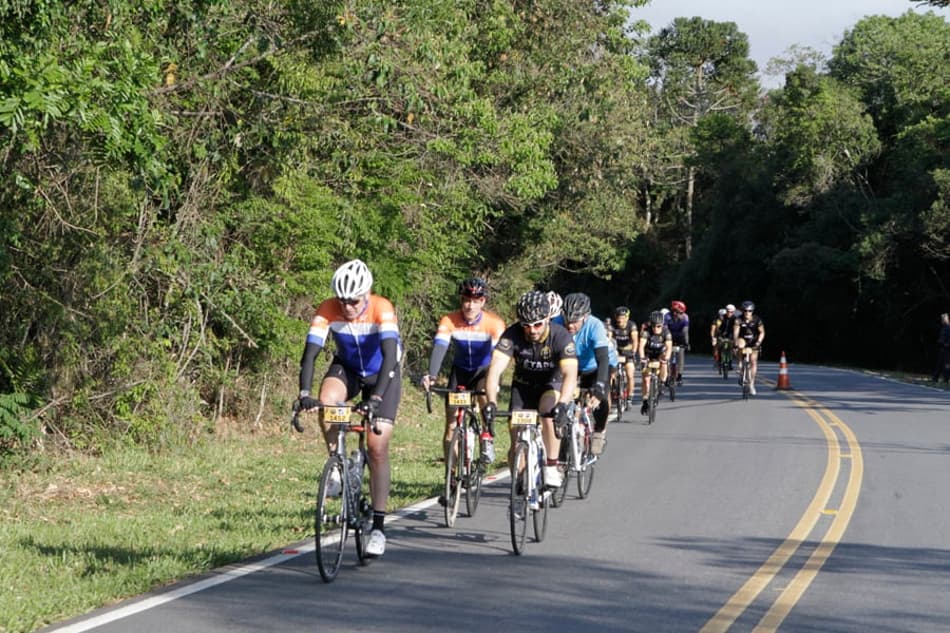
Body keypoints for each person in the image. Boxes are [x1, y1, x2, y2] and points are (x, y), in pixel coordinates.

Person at [297, 259, 401, 557]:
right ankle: (338, 468)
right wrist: (304, 392)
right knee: (327, 401)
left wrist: (376, 398)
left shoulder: (383, 308)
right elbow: (310, 355)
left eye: (353, 301)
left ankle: (379, 528)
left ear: (366, 294)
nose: (347, 307)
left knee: (376, 447)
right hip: (349, 368)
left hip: (383, 373)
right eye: (342, 301)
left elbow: (390, 355)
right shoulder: (327, 308)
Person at [484, 290, 578, 490]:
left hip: (551, 384)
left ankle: (551, 465)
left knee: (547, 414)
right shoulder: (512, 335)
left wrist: (563, 404)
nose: (532, 330)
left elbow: (570, 372)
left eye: (537, 324)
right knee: (516, 440)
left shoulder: (560, 336)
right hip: (523, 387)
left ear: (547, 319)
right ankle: (520, 479)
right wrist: (491, 402)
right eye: (526, 325)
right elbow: (495, 370)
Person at [421, 278, 506, 475]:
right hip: (460, 371)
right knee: (451, 423)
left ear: (483, 302)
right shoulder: (449, 320)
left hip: (485, 370)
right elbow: (440, 347)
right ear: (461, 300)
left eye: (476, 301)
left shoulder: (494, 323)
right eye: (467, 300)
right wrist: (431, 375)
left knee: (485, 392)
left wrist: (495, 382)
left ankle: (487, 434)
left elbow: (499, 357)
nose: (470, 305)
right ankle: (451, 476)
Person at [562, 293, 614, 455]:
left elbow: (603, 360)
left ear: (585, 317)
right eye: (567, 320)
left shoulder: (595, 326)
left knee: (602, 397)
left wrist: (599, 388)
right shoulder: (557, 323)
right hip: (570, 365)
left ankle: (599, 431)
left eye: (574, 321)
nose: (570, 325)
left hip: (594, 366)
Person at [638, 311, 673, 415]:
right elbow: (641, 347)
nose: (655, 328)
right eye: (653, 326)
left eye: (658, 326)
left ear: (662, 325)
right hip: (648, 354)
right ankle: (645, 401)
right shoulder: (646, 332)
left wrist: (666, 358)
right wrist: (642, 358)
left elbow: (669, 348)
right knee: (645, 379)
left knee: (664, 362)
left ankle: (662, 382)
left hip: (660, 354)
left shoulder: (666, 332)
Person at [733, 300, 765, 395]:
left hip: (753, 341)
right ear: (743, 311)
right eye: (745, 310)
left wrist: (759, 342)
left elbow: (762, 332)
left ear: (752, 311)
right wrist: (735, 343)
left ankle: (752, 384)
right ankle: (739, 363)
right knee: (740, 345)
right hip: (742, 340)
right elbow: (735, 333)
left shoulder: (757, 320)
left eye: (750, 311)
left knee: (753, 361)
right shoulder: (738, 320)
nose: (747, 313)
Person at [609, 306, 639, 405]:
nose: (620, 319)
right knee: (611, 373)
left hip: (628, 351)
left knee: (630, 374)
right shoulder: (612, 325)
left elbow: (635, 340)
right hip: (616, 350)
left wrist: (634, 353)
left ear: (627, 317)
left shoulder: (632, 325)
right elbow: (608, 339)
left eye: (623, 317)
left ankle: (630, 397)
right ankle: (610, 392)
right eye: (618, 317)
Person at [668, 300, 690, 384]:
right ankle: (667, 375)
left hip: (680, 337)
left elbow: (685, 331)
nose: (675, 314)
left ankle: (680, 375)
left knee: (681, 356)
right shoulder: (667, 316)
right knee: (667, 356)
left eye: (678, 312)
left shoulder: (685, 317)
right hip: (669, 336)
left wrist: (686, 343)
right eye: (674, 311)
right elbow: (664, 330)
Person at [710, 304, 736, 370]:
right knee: (718, 345)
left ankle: (729, 362)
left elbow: (737, 328)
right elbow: (714, 329)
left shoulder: (735, 318)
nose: (729, 313)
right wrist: (713, 337)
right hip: (720, 335)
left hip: (731, 335)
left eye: (731, 312)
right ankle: (718, 360)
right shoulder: (719, 319)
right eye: (728, 311)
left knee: (731, 347)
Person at [933, 312, 950, 383]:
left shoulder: (949, 327)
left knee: (946, 364)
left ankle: (946, 379)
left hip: (947, 349)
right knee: (939, 363)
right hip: (942, 348)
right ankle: (935, 378)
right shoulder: (943, 327)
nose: (942, 320)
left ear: (946, 319)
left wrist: (947, 344)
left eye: (942, 319)